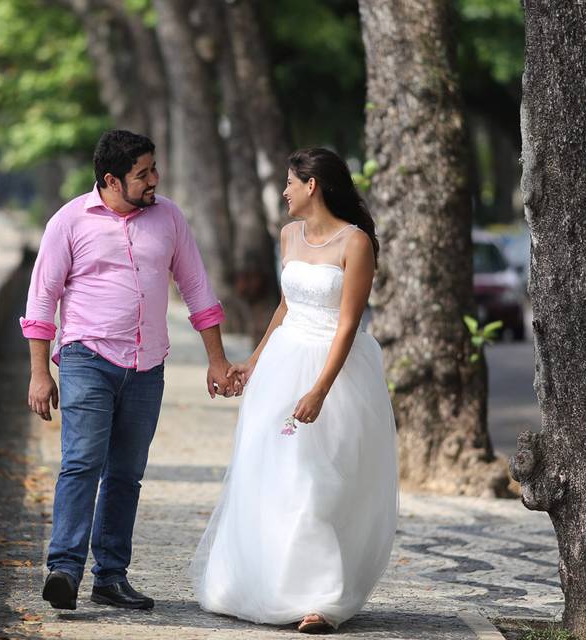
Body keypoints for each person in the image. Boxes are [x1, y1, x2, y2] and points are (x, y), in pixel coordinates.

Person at [22, 129, 238, 611]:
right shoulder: (69, 222)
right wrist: (40, 373)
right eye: (142, 174)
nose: (154, 180)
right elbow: (41, 300)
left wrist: (218, 361)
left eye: (153, 169)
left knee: (125, 474)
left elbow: (198, 290)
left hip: (147, 366)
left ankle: (110, 576)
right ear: (111, 180)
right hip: (86, 358)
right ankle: (64, 569)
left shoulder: (170, 219)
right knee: (81, 462)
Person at [190, 148, 399, 634]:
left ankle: (320, 598)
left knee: (318, 481)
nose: (284, 191)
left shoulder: (356, 243)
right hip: (283, 362)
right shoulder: (288, 235)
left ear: (314, 185)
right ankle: (255, 581)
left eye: (290, 182)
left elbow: (349, 324)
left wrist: (320, 390)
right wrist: (254, 363)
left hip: (334, 370)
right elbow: (285, 307)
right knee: (272, 474)